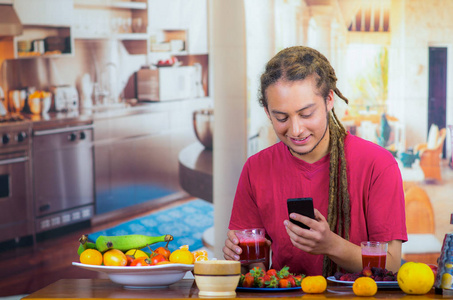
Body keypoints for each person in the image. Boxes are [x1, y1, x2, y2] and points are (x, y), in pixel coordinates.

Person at [223, 46, 407, 277]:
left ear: (329, 100)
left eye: (307, 114)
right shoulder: (256, 168)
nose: (296, 130)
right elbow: (255, 268)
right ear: (268, 113)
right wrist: (240, 258)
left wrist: (331, 245)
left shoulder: (378, 165)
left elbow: (390, 265)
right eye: (281, 117)